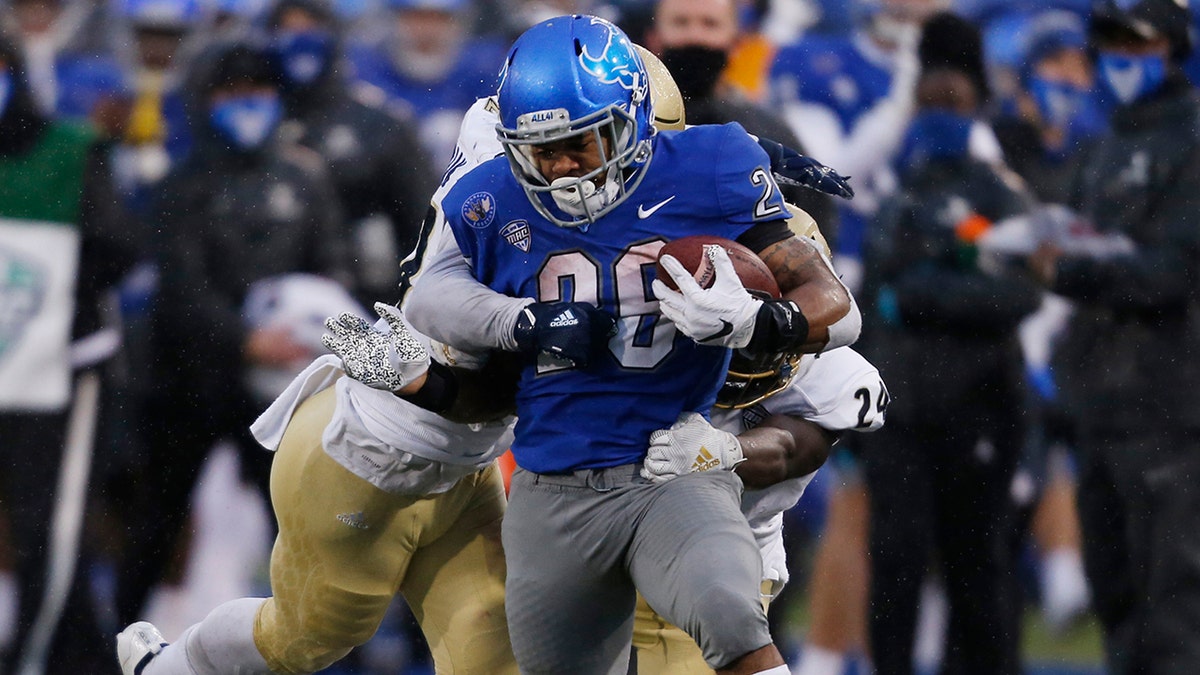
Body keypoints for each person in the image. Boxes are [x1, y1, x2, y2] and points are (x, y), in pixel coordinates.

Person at [404, 15, 858, 675]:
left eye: (581, 144)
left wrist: (760, 323)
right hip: (551, 485)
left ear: (633, 120)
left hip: (669, 468)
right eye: (541, 149)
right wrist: (524, 322)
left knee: (732, 618)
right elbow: (429, 299)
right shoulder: (487, 199)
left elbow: (834, 305)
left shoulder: (712, 166)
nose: (560, 168)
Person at [114, 40, 350, 627]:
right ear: (207, 99)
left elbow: (333, 273)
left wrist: (322, 341)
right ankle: (117, 642)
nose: (250, 105)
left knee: (299, 523)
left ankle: (325, 647)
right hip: (186, 383)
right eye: (235, 93)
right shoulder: (181, 184)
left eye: (261, 92)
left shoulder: (303, 180)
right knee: (157, 521)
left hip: (284, 382)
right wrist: (243, 341)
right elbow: (178, 290)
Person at [858, 41, 1042, 674]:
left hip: (982, 407)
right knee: (895, 568)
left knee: (979, 569)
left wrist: (922, 295)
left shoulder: (998, 196)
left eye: (953, 105)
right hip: (902, 415)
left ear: (976, 113)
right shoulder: (897, 197)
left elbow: (1020, 290)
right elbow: (868, 296)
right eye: (930, 106)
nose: (940, 117)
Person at [1026, 0, 1200, 671]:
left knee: (1174, 603)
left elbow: (1176, 271)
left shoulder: (1188, 140)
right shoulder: (1107, 142)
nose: (1122, 55)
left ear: (1173, 45)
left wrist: (1072, 268)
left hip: (1170, 405)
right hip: (1102, 401)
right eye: (1111, 39)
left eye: (1139, 39)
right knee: (1119, 596)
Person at [0, 34, 139, 675]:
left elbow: (117, 251)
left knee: (49, 531)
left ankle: (35, 659)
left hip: (59, 365)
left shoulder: (74, 152)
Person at [265, 0, 440, 303]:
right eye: (288, 30)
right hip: (273, 310)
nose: (299, 40)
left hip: (372, 298)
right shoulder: (249, 120)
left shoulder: (379, 126)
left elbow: (425, 226)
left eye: (311, 29)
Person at [643, 0, 837, 240]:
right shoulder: (626, 124)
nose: (694, 36)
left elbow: (814, 230)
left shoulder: (769, 133)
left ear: (737, 42)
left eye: (710, 24)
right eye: (680, 22)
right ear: (653, 39)